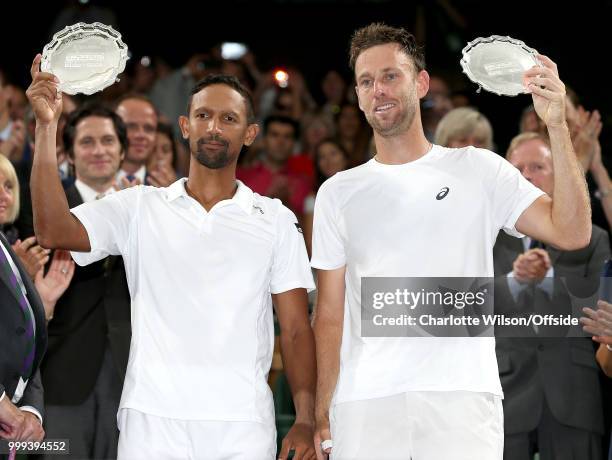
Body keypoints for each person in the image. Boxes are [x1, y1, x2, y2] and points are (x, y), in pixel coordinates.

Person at [312, 22, 591, 460]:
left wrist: (557, 127)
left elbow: (572, 232)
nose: (378, 90)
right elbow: (328, 314)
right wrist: (321, 410)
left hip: (461, 400)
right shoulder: (338, 192)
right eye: (366, 82)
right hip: (365, 403)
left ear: (421, 83)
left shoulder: (480, 169)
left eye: (390, 76)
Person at [27, 54, 317, 460]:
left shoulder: (275, 220)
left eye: (229, 119)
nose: (214, 127)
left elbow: (297, 330)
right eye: (203, 115)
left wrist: (305, 420)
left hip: (242, 424)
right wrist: (46, 126)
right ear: (185, 125)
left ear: (250, 133)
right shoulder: (138, 208)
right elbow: (53, 230)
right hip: (151, 423)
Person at [494, 132, 608, 460]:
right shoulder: (485, 238)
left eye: (538, 167)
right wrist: (515, 281)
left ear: (559, 175)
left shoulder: (593, 236)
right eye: (518, 170)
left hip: (574, 397)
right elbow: (469, 307)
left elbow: (601, 313)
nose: (527, 176)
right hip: (505, 397)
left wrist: (548, 280)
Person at [38, 104, 132, 460]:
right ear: (71, 154)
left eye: (108, 141)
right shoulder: (46, 207)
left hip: (131, 375)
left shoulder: (145, 209)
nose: (99, 150)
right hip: (61, 374)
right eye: (87, 141)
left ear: (122, 150)